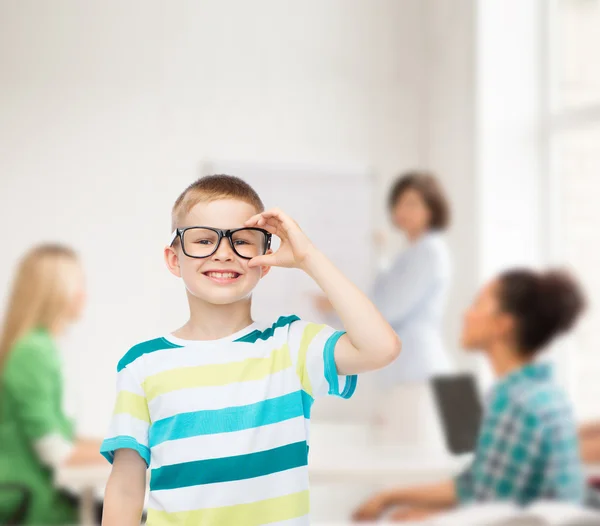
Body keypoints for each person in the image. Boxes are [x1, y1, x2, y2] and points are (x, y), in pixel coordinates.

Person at [100, 174, 401, 525]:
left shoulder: (292, 346)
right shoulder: (142, 364)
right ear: (173, 259)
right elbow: (124, 486)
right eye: (202, 239)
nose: (224, 253)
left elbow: (381, 348)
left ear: (265, 261)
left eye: (242, 241)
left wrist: (308, 257)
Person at [353, 268, 586, 523]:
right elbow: (477, 486)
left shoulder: (515, 403)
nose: (466, 313)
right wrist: (392, 496)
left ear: (503, 324)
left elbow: (493, 510)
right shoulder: (542, 393)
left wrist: (428, 518)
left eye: (478, 304)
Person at [316, 170, 453, 384]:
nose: (402, 210)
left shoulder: (429, 251)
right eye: (398, 203)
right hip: (408, 371)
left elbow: (389, 308)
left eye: (412, 203)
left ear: (432, 207)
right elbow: (384, 291)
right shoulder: (413, 252)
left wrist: (337, 308)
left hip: (419, 371)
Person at [0, 244, 104, 525]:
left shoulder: (41, 347)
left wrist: (131, 446)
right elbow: (57, 451)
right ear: (55, 292)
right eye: (78, 284)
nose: (85, 295)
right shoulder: (33, 351)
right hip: (31, 507)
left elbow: (65, 437)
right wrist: (135, 455)